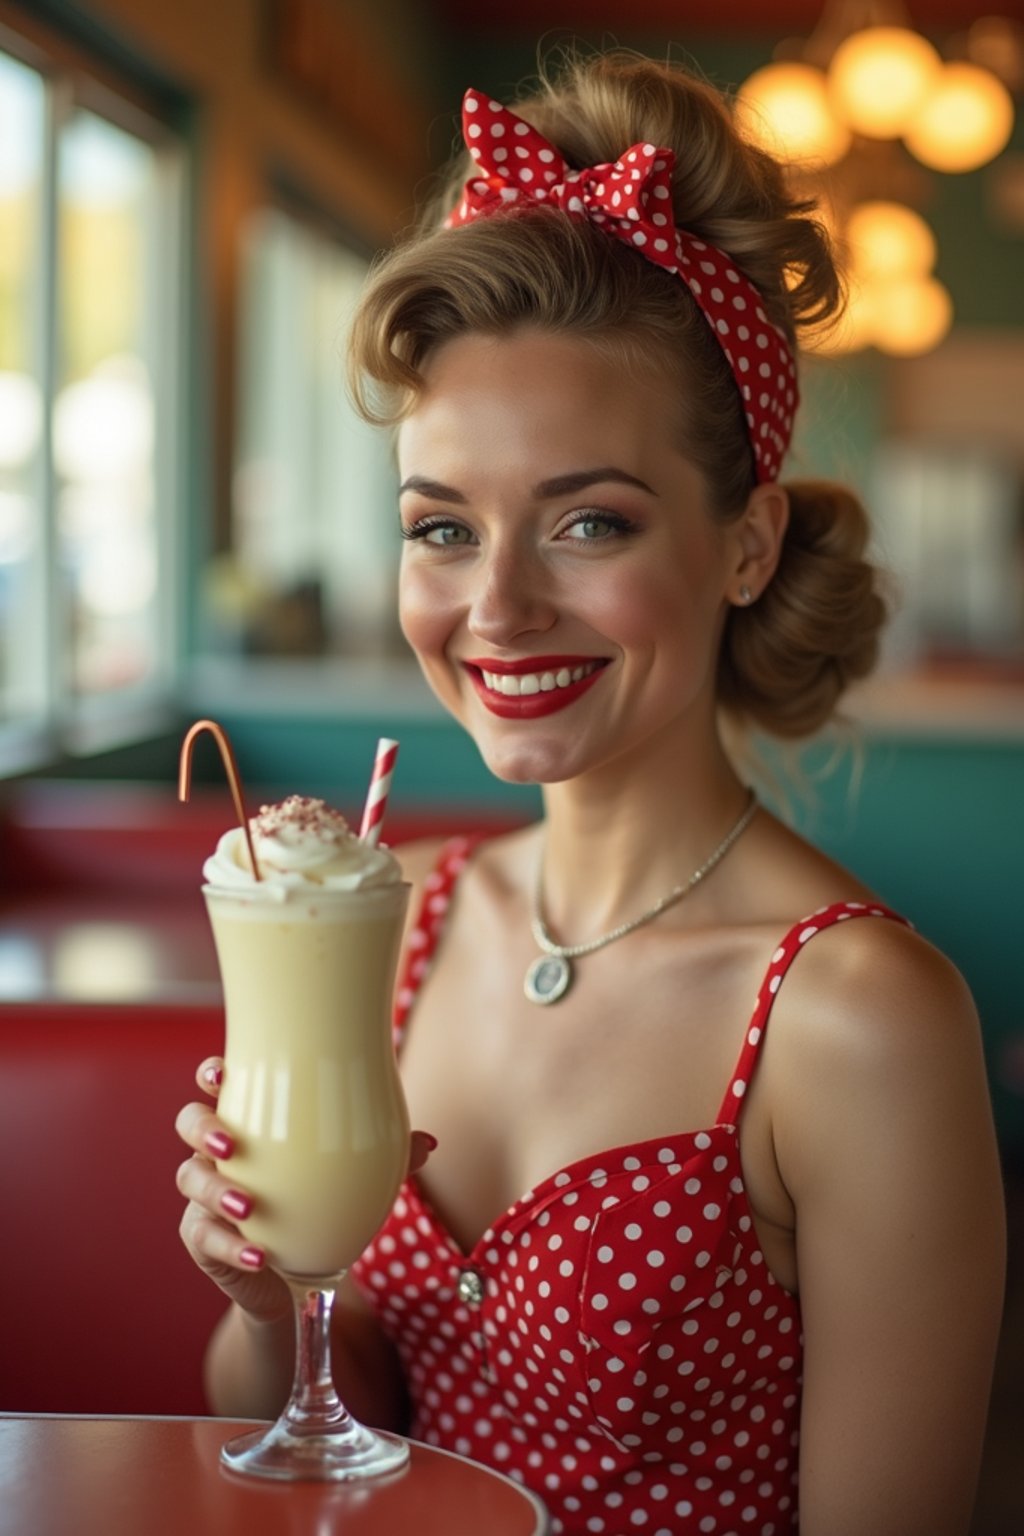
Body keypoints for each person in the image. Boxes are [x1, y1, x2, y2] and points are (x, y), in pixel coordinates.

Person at [175, 49, 1006, 1536]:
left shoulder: (859, 1016)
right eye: (442, 528)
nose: (494, 608)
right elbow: (317, 1443)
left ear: (744, 546)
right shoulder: (400, 911)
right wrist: (263, 1299)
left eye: (588, 521)